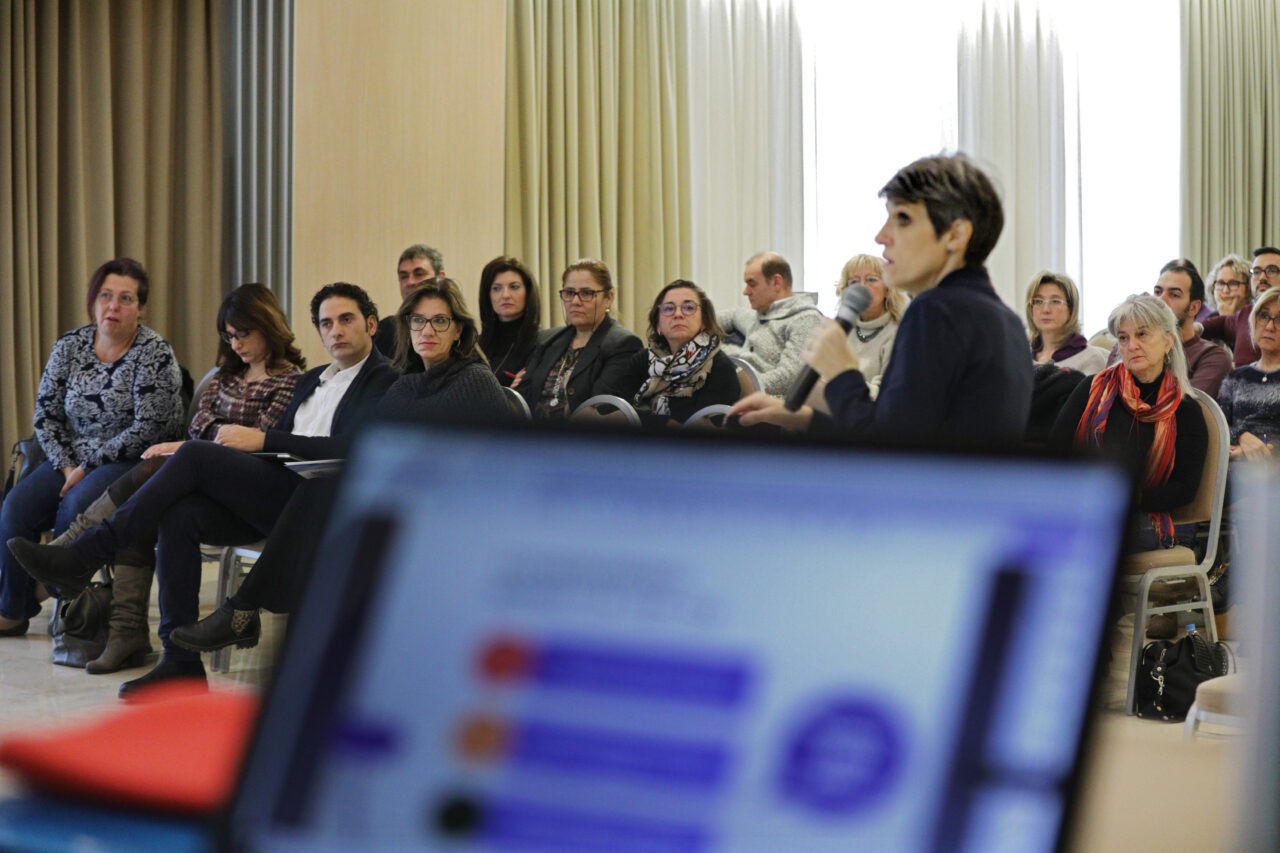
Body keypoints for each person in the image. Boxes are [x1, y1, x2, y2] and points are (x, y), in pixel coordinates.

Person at [8, 283, 398, 697]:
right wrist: (257, 448)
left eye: (346, 319)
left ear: (371, 324)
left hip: (319, 504)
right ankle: (179, 662)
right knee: (181, 514)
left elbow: (358, 447)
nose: (335, 330)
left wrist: (264, 441)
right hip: (275, 490)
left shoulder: (386, 379)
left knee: (193, 455)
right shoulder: (314, 380)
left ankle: (85, 553)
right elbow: (270, 446)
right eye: (325, 323)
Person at [168, 279, 513, 656]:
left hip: (455, 511)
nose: (427, 330)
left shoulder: (475, 380)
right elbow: (370, 452)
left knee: (319, 502)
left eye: (440, 322)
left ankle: (248, 616)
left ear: (459, 329)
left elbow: (503, 464)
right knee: (317, 497)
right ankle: (259, 625)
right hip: (396, 502)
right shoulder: (406, 386)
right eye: (418, 321)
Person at [28, 284, 305, 673]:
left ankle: (78, 550)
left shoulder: (292, 380)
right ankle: (170, 653)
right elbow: (201, 423)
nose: (237, 344)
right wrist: (221, 436)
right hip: (213, 486)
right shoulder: (227, 375)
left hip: (254, 494)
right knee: (169, 504)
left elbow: (260, 434)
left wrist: (217, 438)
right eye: (229, 336)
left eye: (244, 334)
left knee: (169, 464)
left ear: (268, 327)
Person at [732, 153, 1032, 443]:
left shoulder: (936, 310)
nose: (881, 236)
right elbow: (908, 432)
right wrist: (802, 419)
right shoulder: (1008, 321)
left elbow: (889, 452)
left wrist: (841, 372)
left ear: (955, 235)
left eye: (902, 219)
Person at [0, 258, 183, 637]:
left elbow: (149, 428)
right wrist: (68, 465)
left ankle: (66, 606)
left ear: (141, 308)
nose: (113, 306)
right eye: (105, 295)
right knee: (15, 507)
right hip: (71, 457)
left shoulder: (155, 353)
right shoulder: (70, 345)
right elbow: (46, 416)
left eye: (125, 298)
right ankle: (13, 609)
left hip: (130, 458)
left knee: (74, 506)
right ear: (93, 300)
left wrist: (86, 467)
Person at [1052, 294, 1207, 551]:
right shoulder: (1092, 389)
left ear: (1168, 341)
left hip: (1145, 517)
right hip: (1081, 505)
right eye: (1123, 338)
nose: (1132, 345)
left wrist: (1124, 498)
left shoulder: (1185, 409)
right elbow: (1055, 450)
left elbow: (1186, 489)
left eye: (1142, 335)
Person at [514, 258, 643, 419]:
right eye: (569, 293)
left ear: (608, 297)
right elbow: (522, 398)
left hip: (583, 440)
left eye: (586, 293)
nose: (575, 301)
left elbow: (598, 409)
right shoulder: (547, 339)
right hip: (531, 438)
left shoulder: (623, 344)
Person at [615, 280, 740, 424]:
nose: (678, 314)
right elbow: (619, 410)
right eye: (668, 309)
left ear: (704, 320)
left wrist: (644, 421)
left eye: (688, 308)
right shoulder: (642, 360)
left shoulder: (720, 367)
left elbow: (700, 427)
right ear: (658, 324)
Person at [1107, 260, 1232, 397]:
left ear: (1194, 308)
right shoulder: (1127, 345)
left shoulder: (1212, 356)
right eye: (1158, 292)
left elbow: (1185, 406)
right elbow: (1108, 396)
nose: (1161, 299)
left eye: (1174, 295)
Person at [719, 252, 823, 396]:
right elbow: (731, 315)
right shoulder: (760, 315)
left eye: (752, 284)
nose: (745, 291)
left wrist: (738, 387)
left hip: (766, 405)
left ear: (776, 282)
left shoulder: (805, 319)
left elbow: (791, 377)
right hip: (738, 392)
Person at [830, 254, 908, 399]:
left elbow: (886, 391)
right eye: (854, 282)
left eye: (871, 280)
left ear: (888, 289)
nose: (862, 287)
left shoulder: (898, 332)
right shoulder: (842, 329)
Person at [1217, 287, 1280, 461]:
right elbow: (1218, 426)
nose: (1269, 326)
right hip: (1233, 472)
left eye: (1279, 319)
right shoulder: (1235, 377)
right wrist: (1242, 436)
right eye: (1264, 316)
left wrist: (1262, 448)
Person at [1197, 246, 1280, 367]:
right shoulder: (1246, 313)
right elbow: (1224, 323)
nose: (1262, 277)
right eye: (1256, 272)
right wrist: (1197, 327)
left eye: (1271, 271)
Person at [476, 255, 541, 386]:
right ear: (488, 296)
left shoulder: (542, 345)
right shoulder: (475, 346)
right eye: (496, 288)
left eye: (514, 287)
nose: (505, 295)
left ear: (528, 292)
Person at [372, 243, 444, 362]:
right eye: (404, 276)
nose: (410, 282)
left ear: (440, 278)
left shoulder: (452, 325)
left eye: (419, 274)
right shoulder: (384, 331)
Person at [1026, 271, 1107, 374]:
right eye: (1038, 301)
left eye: (1055, 301)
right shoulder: (1020, 355)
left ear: (1071, 309)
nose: (1045, 309)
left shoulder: (1090, 358)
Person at [1206, 254, 1251, 319]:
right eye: (1221, 283)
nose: (1226, 290)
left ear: (1248, 289)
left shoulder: (1255, 319)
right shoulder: (1209, 320)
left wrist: (1227, 317)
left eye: (1233, 283)